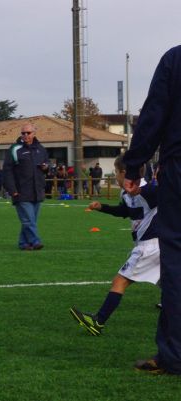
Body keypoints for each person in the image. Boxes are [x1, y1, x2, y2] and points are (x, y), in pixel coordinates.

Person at [122, 45, 181, 375]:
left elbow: (154, 115)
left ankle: (174, 354)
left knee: (176, 261)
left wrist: (134, 165)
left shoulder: (175, 59)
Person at [70, 155, 159, 336]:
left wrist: (142, 190)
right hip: (154, 246)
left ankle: (98, 321)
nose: (115, 177)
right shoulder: (126, 193)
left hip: (149, 246)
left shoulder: (147, 189)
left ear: (124, 173)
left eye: (117, 172)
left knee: (119, 281)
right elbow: (124, 212)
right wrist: (101, 207)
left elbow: (160, 193)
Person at [2, 122, 49, 251]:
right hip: (21, 192)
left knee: (29, 220)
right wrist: (12, 190)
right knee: (28, 220)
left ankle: (23, 243)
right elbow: (7, 171)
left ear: (34, 133)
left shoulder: (41, 149)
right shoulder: (14, 149)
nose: (25, 135)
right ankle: (35, 241)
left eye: (28, 133)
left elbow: (47, 165)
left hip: (37, 190)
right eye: (23, 133)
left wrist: (46, 167)